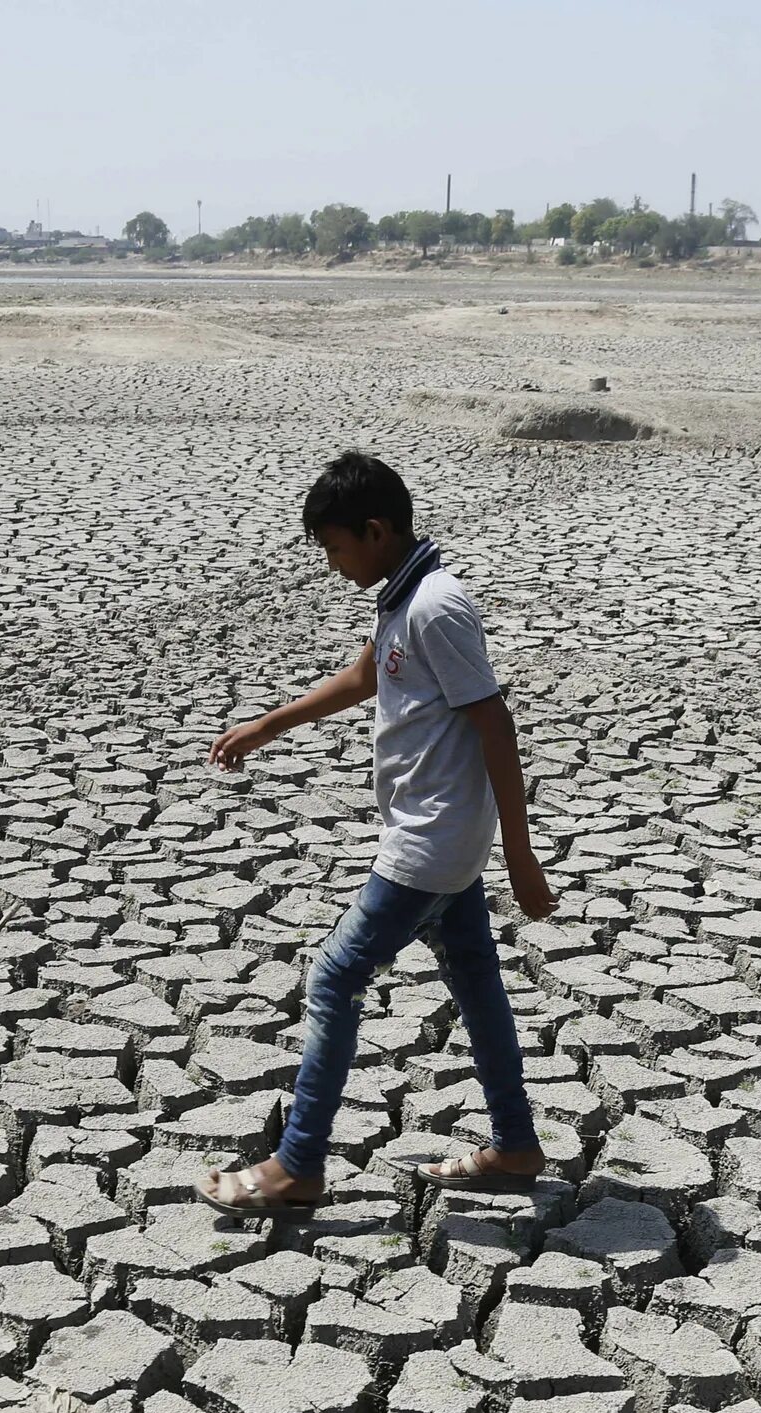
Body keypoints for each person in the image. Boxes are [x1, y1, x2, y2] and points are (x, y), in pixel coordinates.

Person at [197, 451, 554, 1216]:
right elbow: (366, 677)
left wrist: (521, 856)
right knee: (478, 985)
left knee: (333, 980)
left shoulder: (436, 607)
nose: (331, 564)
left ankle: (299, 1166)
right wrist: (266, 726)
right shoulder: (405, 598)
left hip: (429, 844)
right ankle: (516, 1145)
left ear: (376, 529)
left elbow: (496, 725)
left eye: (335, 547)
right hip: (440, 841)